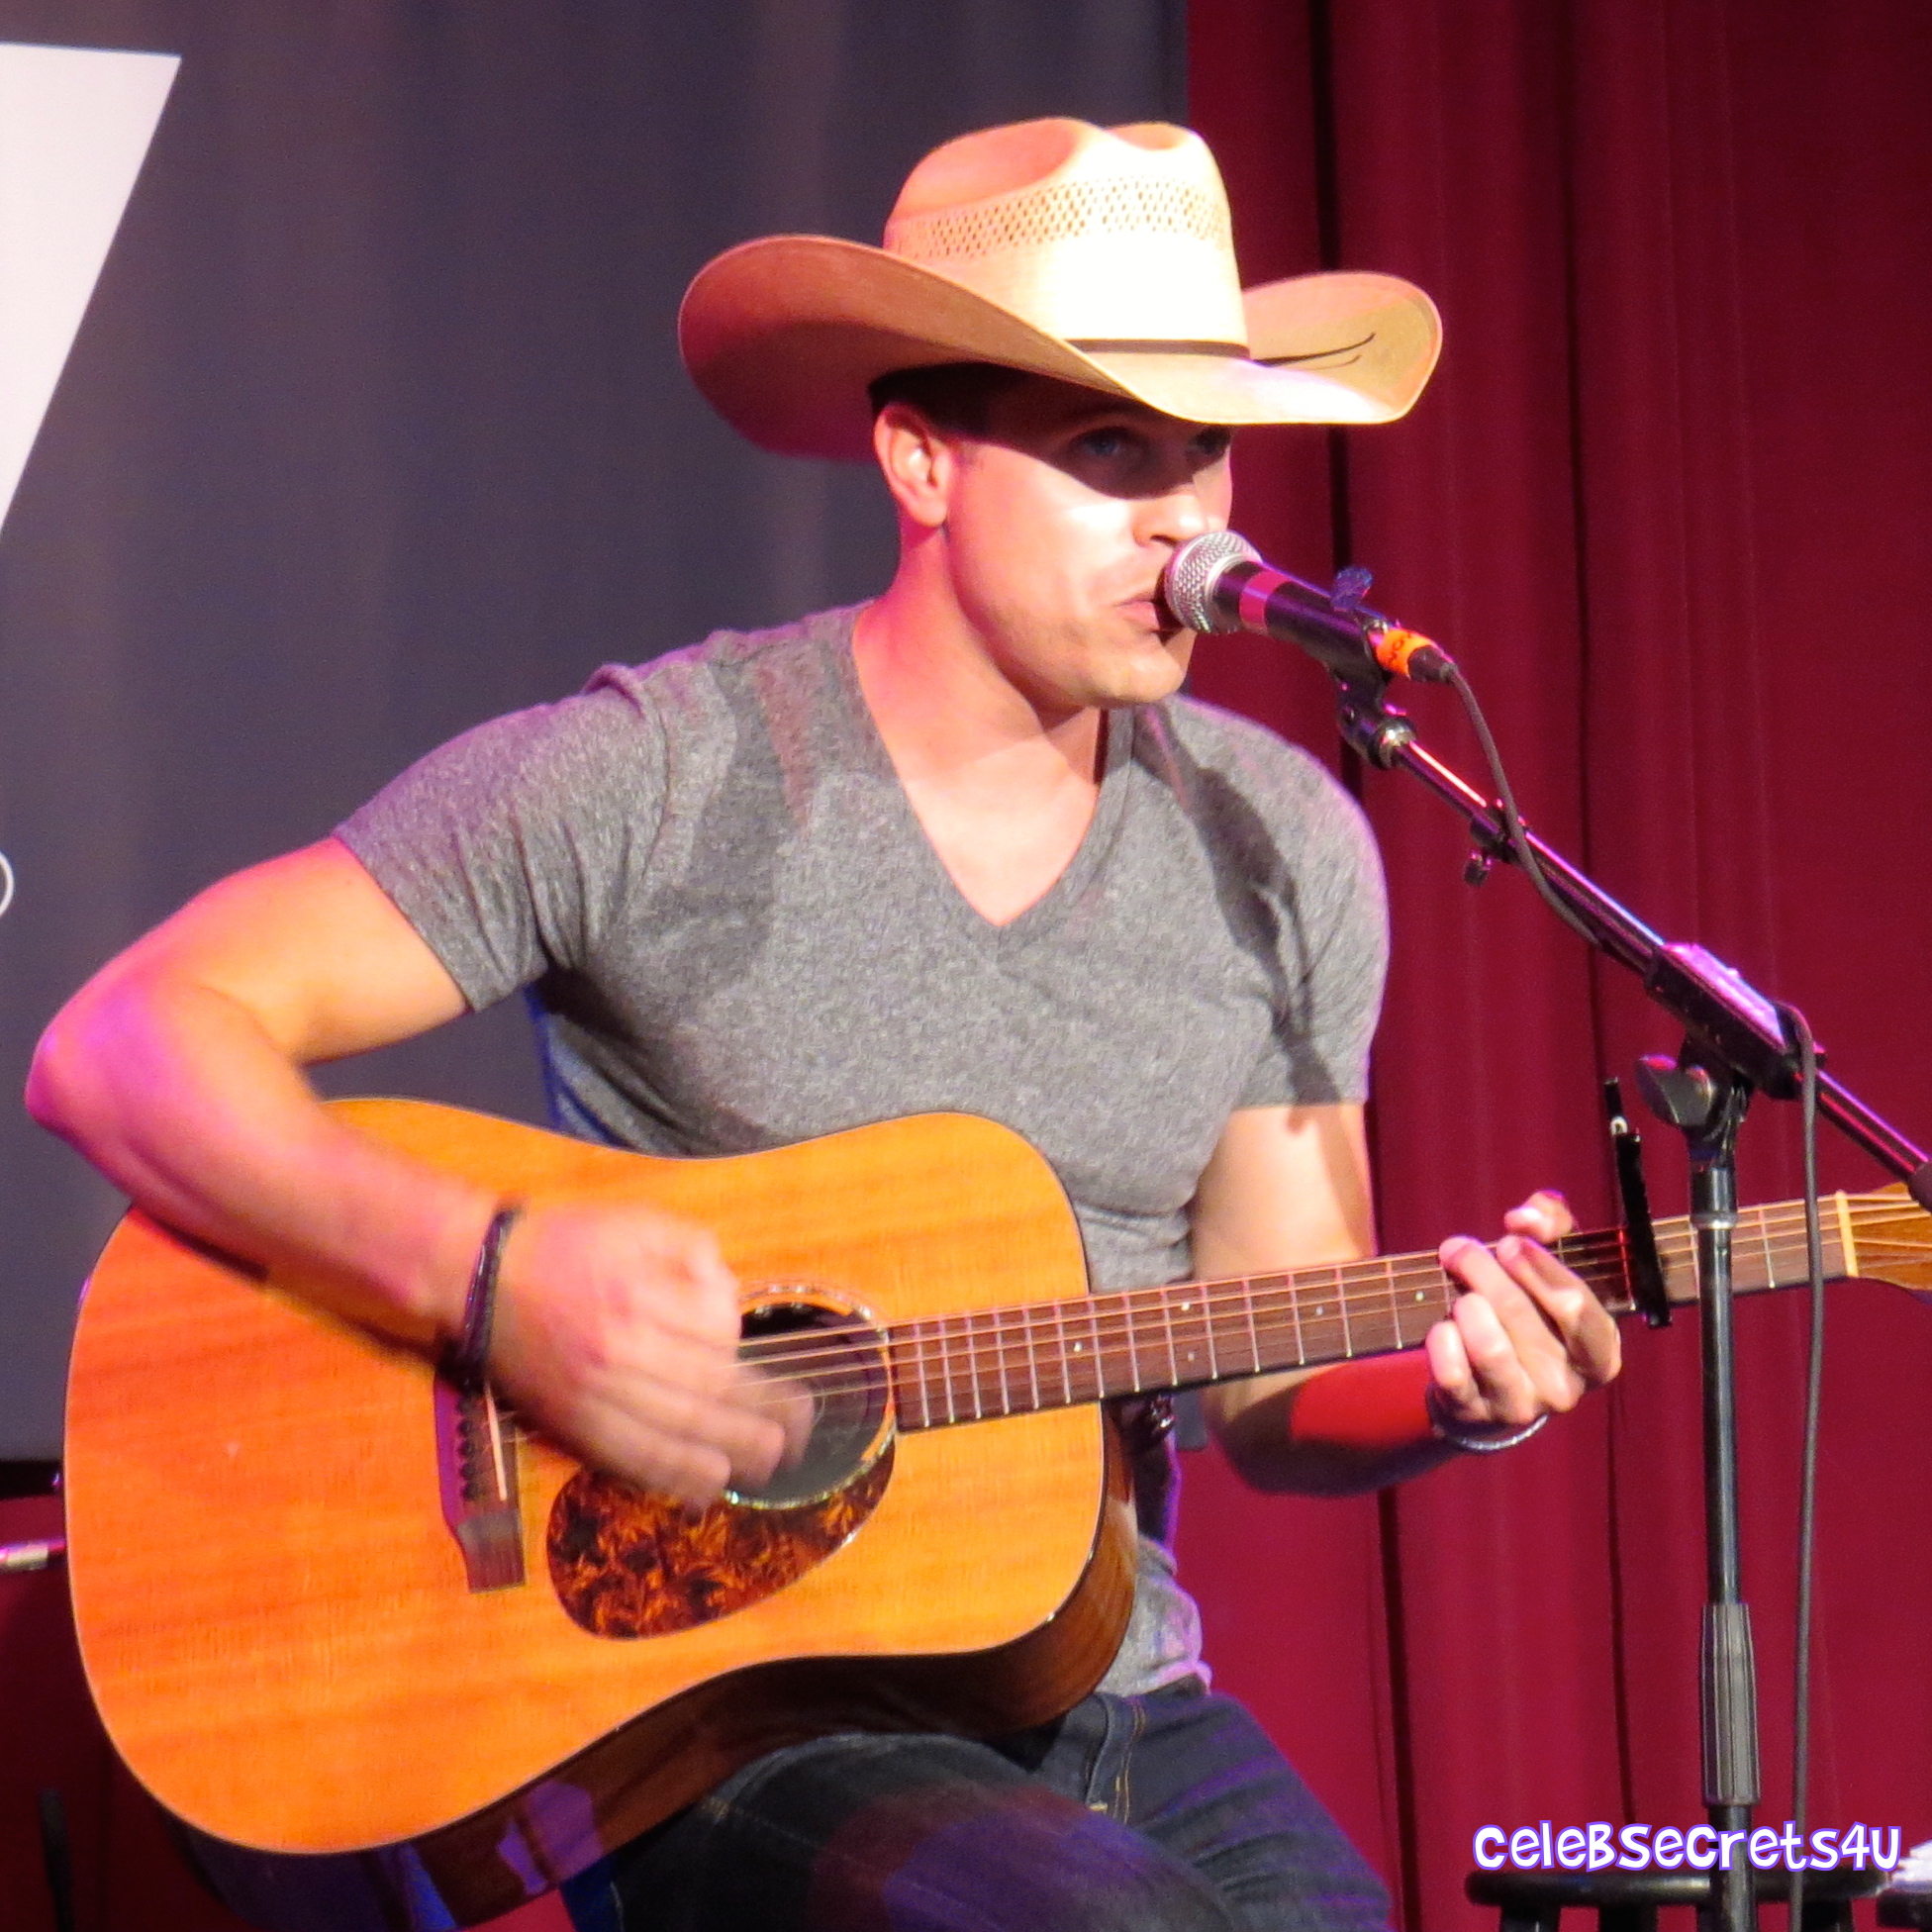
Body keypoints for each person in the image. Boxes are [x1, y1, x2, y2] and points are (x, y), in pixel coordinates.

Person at [30, 119, 1619, 1932]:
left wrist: (1455, 1395)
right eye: (1113, 450)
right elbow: (128, 1040)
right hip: (723, 1713)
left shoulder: (1284, 847)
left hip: (1104, 1688)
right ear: (922, 460)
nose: (1189, 520)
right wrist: (496, 1281)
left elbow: (1267, 1382)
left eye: (1208, 451)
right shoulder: (661, 772)